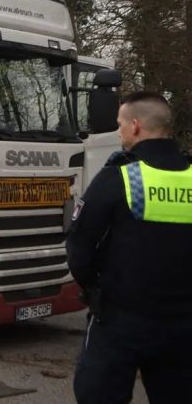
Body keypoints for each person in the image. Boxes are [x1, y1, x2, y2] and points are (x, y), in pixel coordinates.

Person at [67, 91, 192, 403]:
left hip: (120, 320)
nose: (119, 132)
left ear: (136, 126)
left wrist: (94, 288)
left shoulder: (120, 177)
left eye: (120, 124)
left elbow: (79, 246)